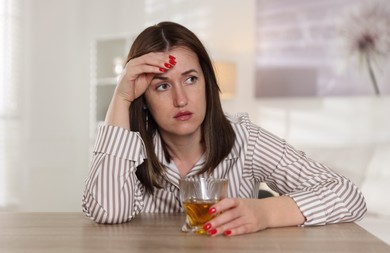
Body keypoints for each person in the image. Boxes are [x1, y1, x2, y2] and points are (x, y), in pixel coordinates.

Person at [82, 21, 367, 236]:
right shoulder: (131, 149)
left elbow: (347, 195)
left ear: (206, 82)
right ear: (143, 99)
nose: (181, 99)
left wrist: (265, 213)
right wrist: (121, 97)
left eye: (190, 79)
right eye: (162, 85)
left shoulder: (246, 139)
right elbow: (108, 212)